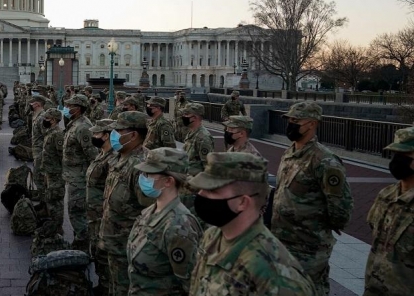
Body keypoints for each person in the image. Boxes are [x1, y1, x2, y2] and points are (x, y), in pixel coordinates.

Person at [188, 152, 315, 295]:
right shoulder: (212, 237)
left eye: (212, 190)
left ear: (242, 202)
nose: (201, 195)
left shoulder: (276, 274)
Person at [271, 102, 353, 296]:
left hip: (309, 248)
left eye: (296, 120)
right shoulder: (290, 153)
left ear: (312, 124)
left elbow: (341, 208)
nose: (291, 124)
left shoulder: (325, 160)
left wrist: (317, 227)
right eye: (289, 120)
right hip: (283, 241)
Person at [127, 148, 202, 295]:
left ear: (168, 181)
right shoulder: (150, 211)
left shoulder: (179, 226)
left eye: (148, 174)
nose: (143, 177)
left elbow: (191, 285)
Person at [99, 111, 150, 296]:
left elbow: (148, 212)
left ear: (134, 134)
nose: (113, 135)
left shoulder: (141, 167)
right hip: (114, 243)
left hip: (128, 248)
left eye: (118, 131)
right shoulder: (119, 158)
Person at [365, 127, 414, 295]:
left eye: (403, 156)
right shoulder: (386, 195)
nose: (396, 161)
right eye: (394, 155)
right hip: (374, 288)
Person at [61, 94, 97, 252]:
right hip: (73, 175)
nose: (67, 108)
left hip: (80, 177)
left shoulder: (83, 127)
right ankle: (80, 241)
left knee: (76, 211)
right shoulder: (75, 123)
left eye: (70, 106)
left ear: (79, 108)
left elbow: (92, 154)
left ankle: (82, 245)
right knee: (75, 211)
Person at [86, 118, 116, 296]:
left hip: (103, 215)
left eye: (97, 133)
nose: (94, 136)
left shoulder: (112, 158)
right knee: (97, 251)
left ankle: (106, 287)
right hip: (94, 213)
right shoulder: (102, 153)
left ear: (106, 136)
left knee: (104, 255)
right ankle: (103, 284)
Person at [41, 108, 66, 237]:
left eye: (47, 118)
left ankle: (57, 228)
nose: (44, 120)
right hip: (50, 172)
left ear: (54, 120)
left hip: (56, 173)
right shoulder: (50, 132)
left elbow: (62, 155)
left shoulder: (58, 134)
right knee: (50, 199)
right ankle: (54, 225)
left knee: (56, 201)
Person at [181, 103, 214, 176]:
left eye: (186, 114)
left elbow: (208, 167)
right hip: (188, 178)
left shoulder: (203, 138)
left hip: (196, 182)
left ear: (194, 117)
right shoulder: (192, 132)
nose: (183, 116)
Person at [29, 94, 50, 194]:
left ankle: (43, 199)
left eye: (32, 103)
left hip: (41, 151)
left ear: (37, 104)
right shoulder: (37, 116)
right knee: (38, 175)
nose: (30, 105)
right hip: (37, 150)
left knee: (38, 176)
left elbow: (47, 136)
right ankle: (41, 195)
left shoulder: (42, 117)